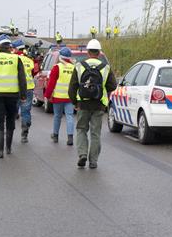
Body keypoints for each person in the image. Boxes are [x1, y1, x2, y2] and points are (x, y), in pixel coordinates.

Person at [68, 39, 117, 169]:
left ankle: (82, 154)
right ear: (99, 52)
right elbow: (113, 85)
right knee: (95, 133)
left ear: (88, 52)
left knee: (81, 130)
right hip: (99, 105)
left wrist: (75, 102)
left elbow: (72, 87)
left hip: (83, 104)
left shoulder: (79, 66)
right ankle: (93, 161)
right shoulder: (105, 67)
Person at [44, 47, 75, 145]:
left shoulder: (57, 67)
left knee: (57, 116)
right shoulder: (74, 68)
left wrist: (47, 95)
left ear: (60, 57)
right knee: (70, 116)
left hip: (58, 97)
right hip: (70, 98)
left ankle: (55, 136)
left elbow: (51, 83)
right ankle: (70, 138)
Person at [12, 39, 37, 143]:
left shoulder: (13, 59)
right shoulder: (29, 60)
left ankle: (9, 132)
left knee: (12, 111)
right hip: (29, 88)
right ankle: (24, 134)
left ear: (15, 49)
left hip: (15, 87)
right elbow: (34, 72)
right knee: (26, 112)